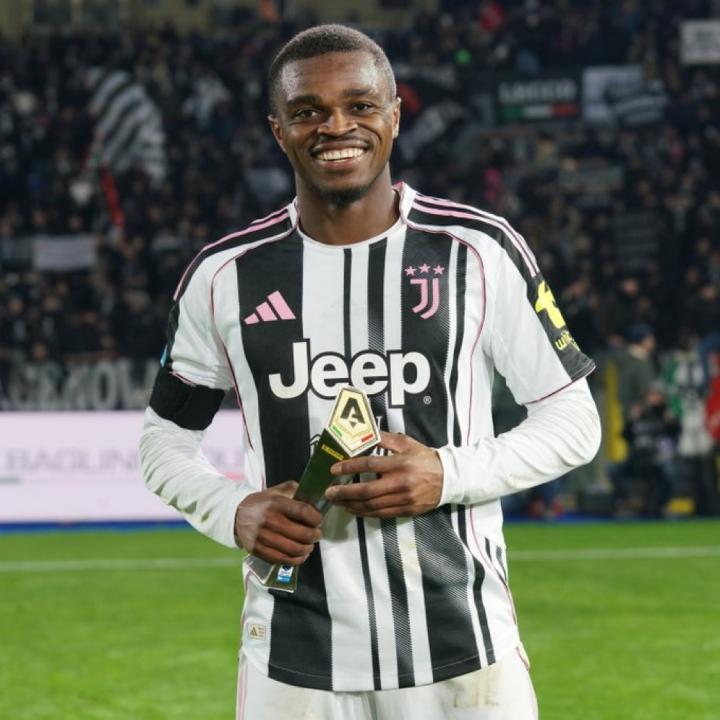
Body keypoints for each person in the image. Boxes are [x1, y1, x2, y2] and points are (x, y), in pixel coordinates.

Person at [139, 24, 601, 719]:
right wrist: (232, 510)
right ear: (278, 131)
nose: (336, 127)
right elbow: (163, 442)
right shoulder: (224, 277)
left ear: (394, 115)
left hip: (462, 647)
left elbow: (574, 421)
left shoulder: (476, 251)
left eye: (359, 105)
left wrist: (446, 473)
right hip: (292, 659)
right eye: (309, 111)